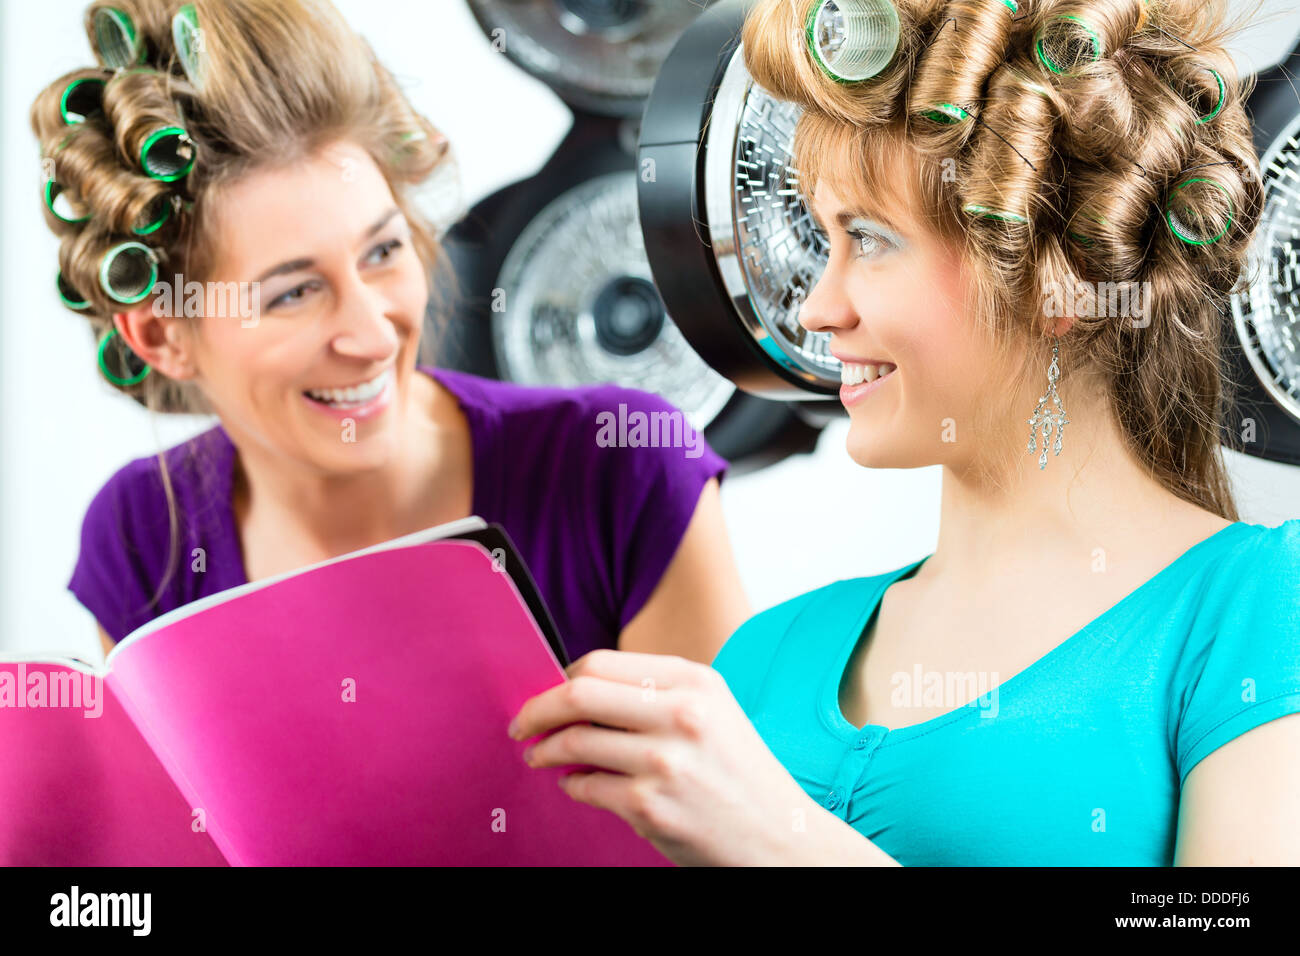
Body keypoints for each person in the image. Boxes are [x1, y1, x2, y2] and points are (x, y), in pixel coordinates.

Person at [510, 0, 1300, 865]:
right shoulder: (764, 657)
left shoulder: (1256, 608)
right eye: (822, 238)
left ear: (1055, 276)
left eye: (870, 241)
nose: (819, 307)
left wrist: (784, 842)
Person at [35, 0, 750, 667]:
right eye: (294, 292)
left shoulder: (621, 472)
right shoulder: (141, 540)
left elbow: (728, 799)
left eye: (382, 252)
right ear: (161, 336)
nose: (373, 337)